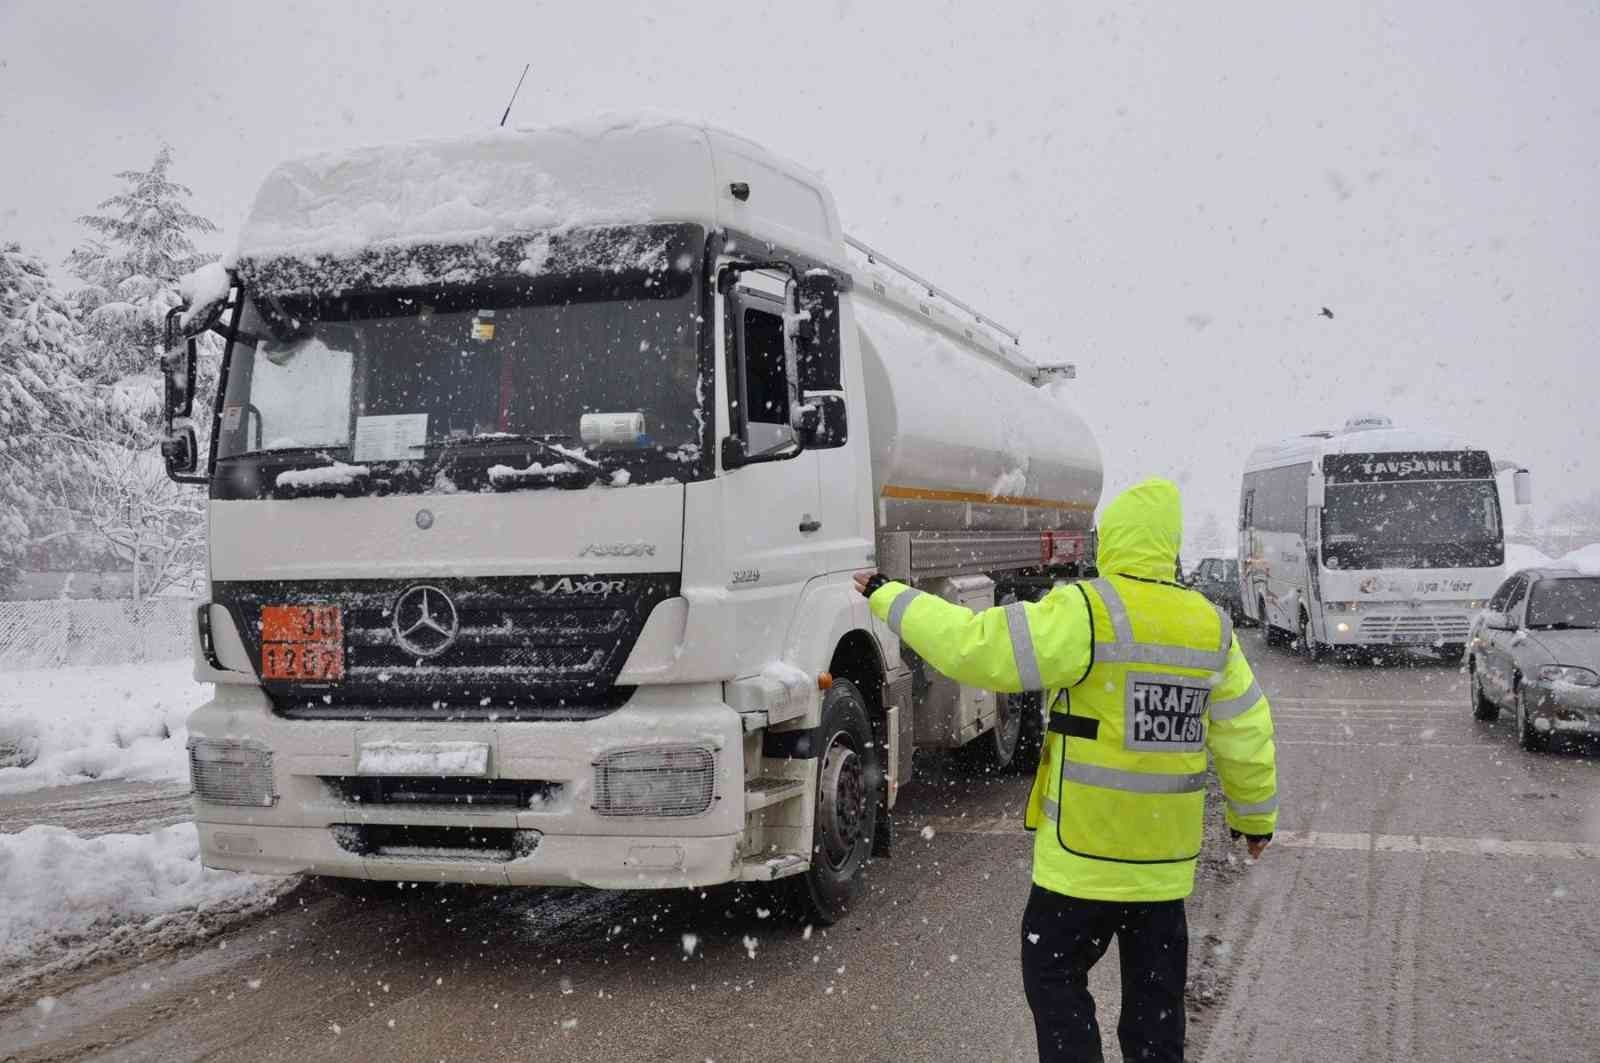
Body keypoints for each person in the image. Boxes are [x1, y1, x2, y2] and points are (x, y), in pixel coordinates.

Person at [854, 477, 1277, 1063]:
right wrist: (1254, 820)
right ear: (1169, 545)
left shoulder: (1087, 611)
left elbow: (976, 646)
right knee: (1157, 1010)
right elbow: (1247, 732)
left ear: (1115, 540)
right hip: (1162, 868)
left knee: (1053, 977)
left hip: (1084, 859)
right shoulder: (1210, 627)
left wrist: (888, 595)